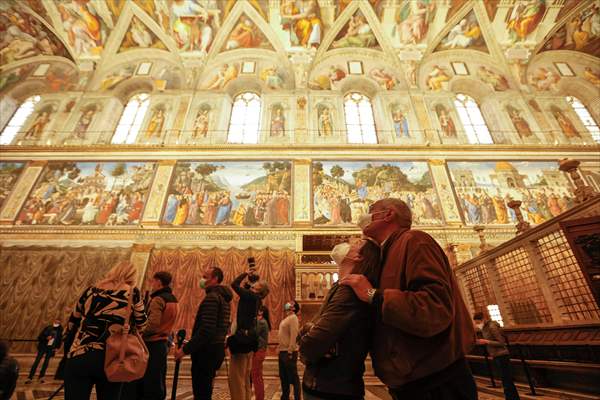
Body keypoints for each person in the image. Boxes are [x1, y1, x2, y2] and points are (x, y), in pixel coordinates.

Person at [342, 198, 477, 400]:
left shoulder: (415, 240)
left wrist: (373, 295)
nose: (364, 216)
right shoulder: (387, 251)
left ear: (388, 215)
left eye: (371, 211)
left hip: (437, 382)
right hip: (411, 380)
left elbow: (434, 307)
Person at [299, 238, 381, 400]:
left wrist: (305, 339)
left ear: (358, 257)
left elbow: (311, 343)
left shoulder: (350, 291)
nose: (348, 242)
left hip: (331, 389)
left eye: (355, 243)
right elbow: (313, 329)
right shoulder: (341, 286)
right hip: (327, 386)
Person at [63, 261, 147, 400]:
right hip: (113, 356)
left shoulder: (91, 290)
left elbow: (73, 321)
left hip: (80, 353)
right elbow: (142, 324)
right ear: (132, 275)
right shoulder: (133, 293)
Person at [174, 266, 232, 400]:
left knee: (201, 393)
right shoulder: (224, 299)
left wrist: (185, 350)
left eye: (206, 277)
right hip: (216, 349)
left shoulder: (212, 298)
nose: (202, 280)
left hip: (207, 352)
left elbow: (206, 330)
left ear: (215, 279)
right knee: (206, 391)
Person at [228, 270, 270, 400]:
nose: (255, 283)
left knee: (236, 377)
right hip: (248, 340)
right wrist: (249, 284)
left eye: (257, 283)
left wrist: (245, 273)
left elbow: (234, 284)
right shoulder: (256, 299)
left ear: (259, 289)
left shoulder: (250, 296)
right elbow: (245, 290)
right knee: (245, 376)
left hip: (241, 338)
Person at [137, 271, 179, 400]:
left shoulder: (158, 299)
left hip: (151, 344)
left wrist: (138, 332)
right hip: (163, 343)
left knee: (149, 382)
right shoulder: (173, 299)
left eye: (153, 281)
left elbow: (153, 324)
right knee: (158, 380)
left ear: (159, 282)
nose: (151, 284)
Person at [474, 311, 520, 400]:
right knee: (504, 379)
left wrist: (486, 342)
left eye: (478, 323)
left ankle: (512, 398)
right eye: (476, 323)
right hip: (496, 355)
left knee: (507, 379)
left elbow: (501, 342)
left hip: (502, 355)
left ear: (483, 319)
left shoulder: (492, 326)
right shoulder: (484, 328)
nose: (477, 325)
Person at [26, 319, 63, 384]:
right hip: (43, 347)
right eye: (56, 322)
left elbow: (59, 340)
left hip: (51, 348)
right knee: (37, 361)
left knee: (46, 363)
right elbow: (39, 337)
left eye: (58, 323)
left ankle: (41, 377)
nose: (56, 323)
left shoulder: (60, 330)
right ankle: (30, 377)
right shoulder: (48, 328)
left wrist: (57, 348)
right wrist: (46, 338)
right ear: (53, 322)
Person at [278, 301, 301, 400]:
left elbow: (294, 335)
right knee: (284, 377)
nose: (288, 304)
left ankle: (297, 397)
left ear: (294, 308)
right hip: (282, 351)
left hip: (289, 352)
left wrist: (290, 351)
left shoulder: (293, 318)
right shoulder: (287, 318)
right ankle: (285, 396)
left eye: (291, 303)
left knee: (293, 377)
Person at [251, 306, 271, 400]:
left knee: (256, 376)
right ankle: (260, 397)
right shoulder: (262, 321)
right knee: (258, 375)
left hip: (259, 351)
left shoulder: (262, 322)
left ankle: (259, 397)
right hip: (260, 351)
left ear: (261, 312)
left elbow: (254, 333)